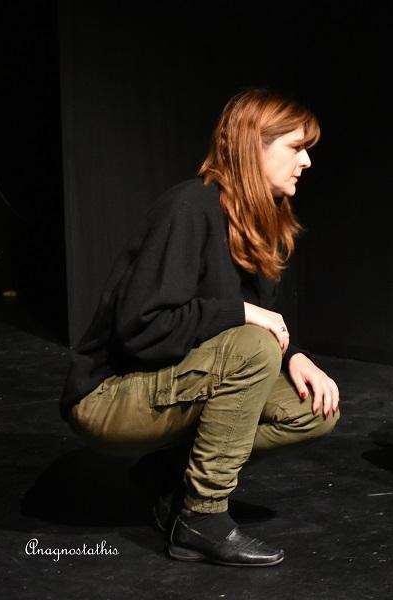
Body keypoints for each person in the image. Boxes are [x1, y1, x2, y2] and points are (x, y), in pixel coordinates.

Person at [60, 89, 340, 567]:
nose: (307, 161)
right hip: (109, 394)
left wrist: (296, 356)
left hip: (174, 377)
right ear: (253, 146)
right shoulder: (190, 206)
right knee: (253, 347)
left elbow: (253, 315)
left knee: (313, 408)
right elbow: (141, 329)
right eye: (296, 147)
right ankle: (201, 518)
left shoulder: (260, 219)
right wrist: (239, 314)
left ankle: (166, 473)